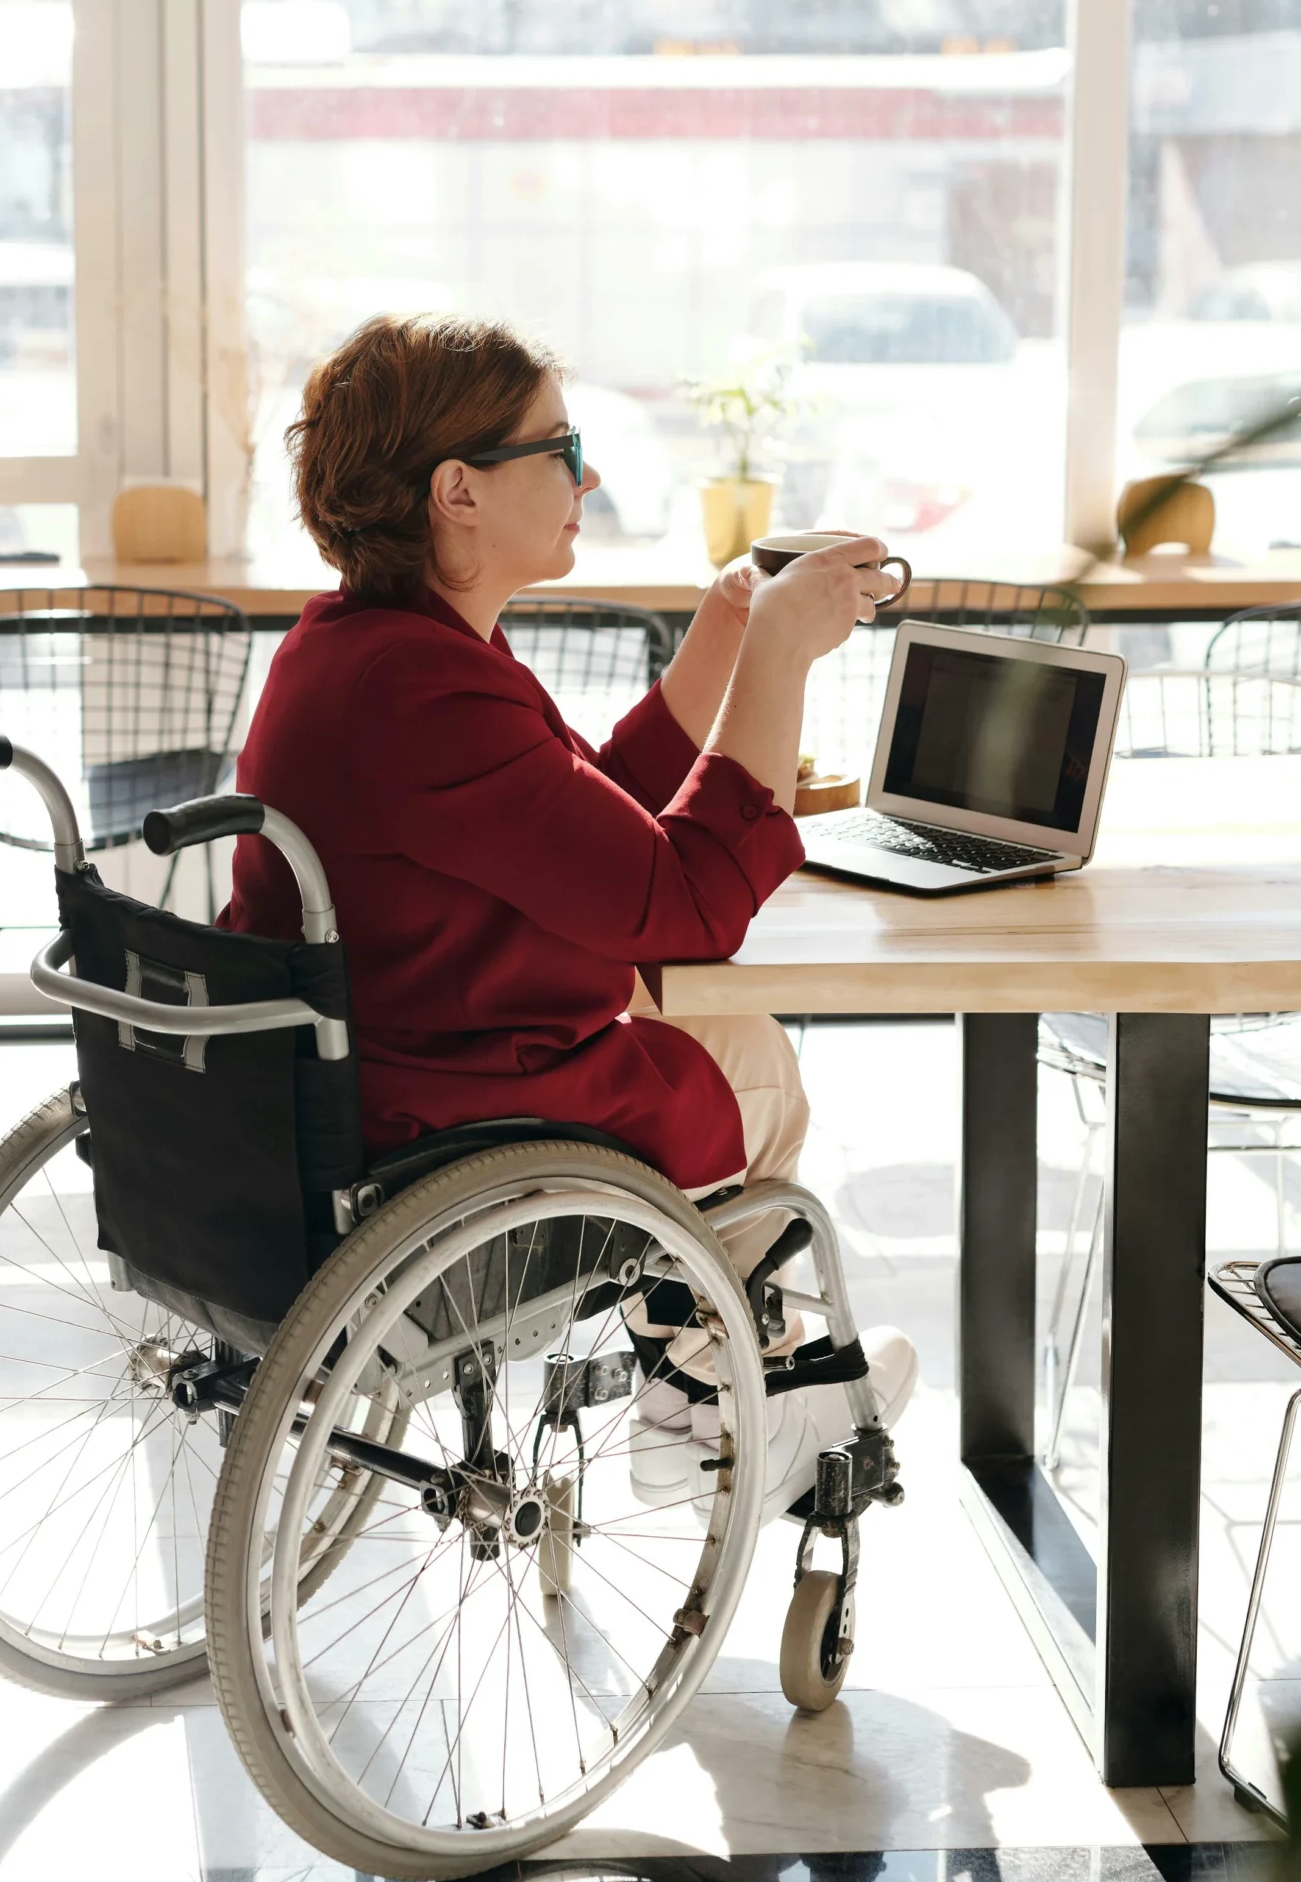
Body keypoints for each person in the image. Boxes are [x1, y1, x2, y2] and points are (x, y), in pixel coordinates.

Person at [225, 312, 916, 1516]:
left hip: (361, 1070)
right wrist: (782, 667)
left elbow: (586, 823)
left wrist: (723, 638)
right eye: (560, 445)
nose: (587, 474)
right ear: (458, 491)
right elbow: (685, 903)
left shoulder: (364, 649)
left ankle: (693, 1371)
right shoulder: (424, 688)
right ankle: (714, 1407)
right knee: (755, 1063)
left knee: (722, 1040)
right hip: (445, 1111)